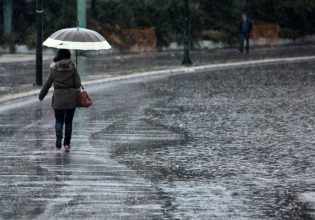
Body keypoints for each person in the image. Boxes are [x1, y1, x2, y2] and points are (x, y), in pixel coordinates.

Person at [39, 49, 81, 152]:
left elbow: (48, 83)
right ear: (68, 56)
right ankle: (67, 144)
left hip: (58, 99)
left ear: (58, 55)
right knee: (68, 122)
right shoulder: (72, 67)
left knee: (59, 121)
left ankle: (58, 139)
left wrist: (41, 95)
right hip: (71, 99)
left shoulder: (54, 68)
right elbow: (77, 83)